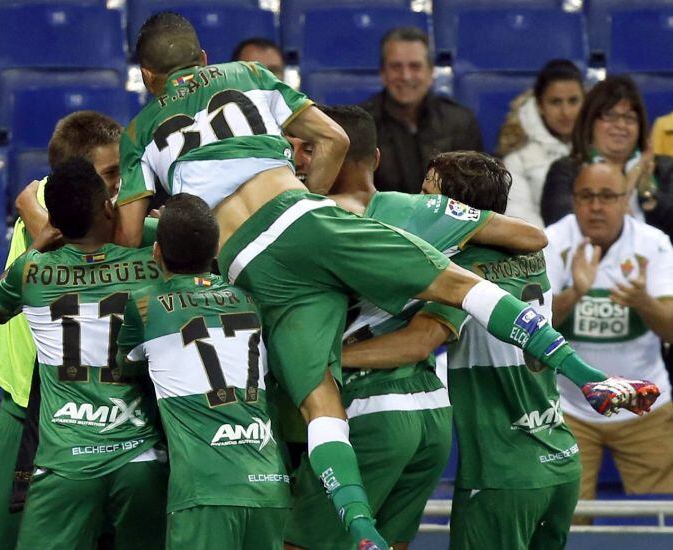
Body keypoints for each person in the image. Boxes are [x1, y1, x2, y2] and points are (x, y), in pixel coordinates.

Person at [115, 13, 642, 549]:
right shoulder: (251, 76)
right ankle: (588, 375)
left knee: (319, 403)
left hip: (252, 265)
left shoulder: (138, 131)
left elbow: (128, 233)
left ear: (148, 77)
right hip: (309, 226)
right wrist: (308, 200)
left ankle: (360, 529)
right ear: (204, 59)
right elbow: (333, 138)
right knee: (457, 284)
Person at [343, 151, 660, 549]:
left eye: (427, 192)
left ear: (451, 208)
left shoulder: (461, 265)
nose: (419, 200)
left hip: (502, 472)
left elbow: (420, 341)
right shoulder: (530, 254)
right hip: (559, 458)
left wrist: (332, 358)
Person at [284, 106, 548, 550]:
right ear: (378, 159)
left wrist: (320, 360)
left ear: (328, 151)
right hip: (431, 412)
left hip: (368, 407)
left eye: (306, 148)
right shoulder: (427, 225)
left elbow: (420, 339)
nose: (297, 160)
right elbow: (533, 236)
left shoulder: (313, 222)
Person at [0, 158, 167, 549]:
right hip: (140, 456)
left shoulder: (31, 272)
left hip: (66, 459)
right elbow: (194, 239)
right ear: (106, 207)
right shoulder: (151, 262)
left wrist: (36, 244)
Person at [0, 110, 124, 550]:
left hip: (106, 425)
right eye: (110, 173)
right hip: (28, 421)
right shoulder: (50, 206)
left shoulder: (106, 211)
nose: (119, 183)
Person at [116, 193, 290, 549]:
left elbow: (126, 367)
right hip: (270, 484)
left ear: (157, 253)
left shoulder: (145, 304)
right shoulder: (251, 299)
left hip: (205, 489)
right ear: (215, 252)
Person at [545, 162, 673, 505]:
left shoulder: (654, 244)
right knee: (566, 522)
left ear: (626, 200)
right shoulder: (553, 241)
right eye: (586, 196)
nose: (596, 206)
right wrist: (575, 293)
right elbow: (533, 328)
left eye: (607, 196)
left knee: (661, 522)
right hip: (568, 408)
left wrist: (643, 301)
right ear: (573, 200)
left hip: (644, 403)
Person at [541, 75, 673, 239]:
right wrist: (630, 181)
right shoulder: (566, 171)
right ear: (590, 122)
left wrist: (647, 190)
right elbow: (561, 231)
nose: (621, 125)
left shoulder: (664, 169)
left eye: (629, 118)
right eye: (610, 116)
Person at [359, 26, 483, 194]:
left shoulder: (460, 122)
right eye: (396, 66)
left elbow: (477, 191)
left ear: (431, 72)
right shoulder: (363, 125)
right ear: (383, 73)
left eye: (415, 66)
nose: (406, 76)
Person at [497, 59, 584, 227]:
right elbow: (520, 220)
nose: (566, 112)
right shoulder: (517, 160)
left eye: (573, 101)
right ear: (540, 106)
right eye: (555, 102)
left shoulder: (603, 151)